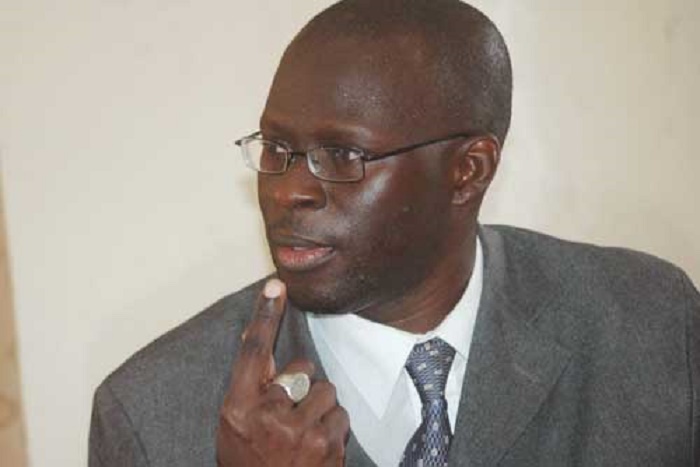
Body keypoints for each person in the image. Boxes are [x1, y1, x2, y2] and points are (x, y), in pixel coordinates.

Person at [88, 0, 700, 466]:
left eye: (341, 155)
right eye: (276, 148)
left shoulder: (651, 324)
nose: (286, 191)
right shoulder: (150, 417)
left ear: (468, 171)